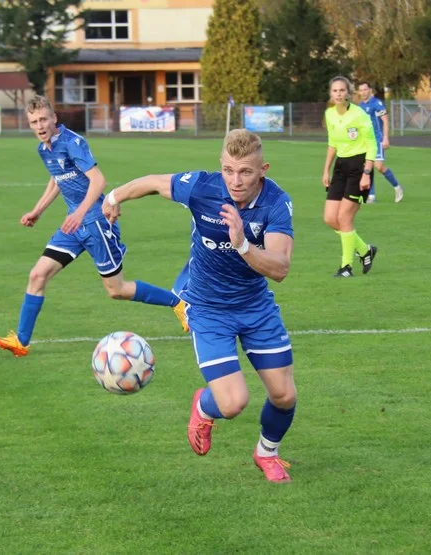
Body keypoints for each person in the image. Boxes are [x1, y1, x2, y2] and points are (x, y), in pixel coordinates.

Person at [102, 129, 297, 483]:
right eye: (228, 170)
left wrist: (242, 245)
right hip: (209, 310)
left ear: (263, 170)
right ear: (220, 166)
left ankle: (266, 453)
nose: (235, 181)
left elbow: (280, 268)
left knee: (284, 395)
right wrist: (114, 196)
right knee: (233, 403)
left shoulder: (276, 202)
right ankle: (203, 406)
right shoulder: (202, 187)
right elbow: (154, 183)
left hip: (255, 307)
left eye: (246, 172)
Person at [0, 96, 187, 357]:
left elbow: (98, 180)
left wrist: (80, 212)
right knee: (37, 275)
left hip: (96, 223)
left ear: (54, 118)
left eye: (43, 119)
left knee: (116, 290)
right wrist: (38, 210)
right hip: (74, 225)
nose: (40, 126)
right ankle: (21, 341)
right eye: (34, 122)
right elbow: (57, 178)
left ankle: (178, 303)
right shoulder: (44, 149)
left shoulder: (72, 143)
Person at [321, 76, 377, 278]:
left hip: (359, 167)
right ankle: (364, 250)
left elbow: (372, 143)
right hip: (340, 167)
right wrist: (326, 170)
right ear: (331, 94)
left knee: (344, 218)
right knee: (330, 218)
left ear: (348, 92)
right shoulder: (329, 114)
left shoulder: (359, 114)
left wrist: (367, 173)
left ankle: (346, 267)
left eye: (342, 90)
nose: (338, 94)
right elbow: (332, 144)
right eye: (335, 90)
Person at [357, 82, 404, 204]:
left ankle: (397, 187)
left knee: (379, 166)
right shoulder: (360, 106)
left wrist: (386, 138)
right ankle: (371, 196)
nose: (363, 92)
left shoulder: (377, 104)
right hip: (365, 141)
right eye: (360, 90)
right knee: (368, 167)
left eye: (365, 89)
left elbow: (385, 121)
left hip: (377, 140)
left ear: (370, 90)